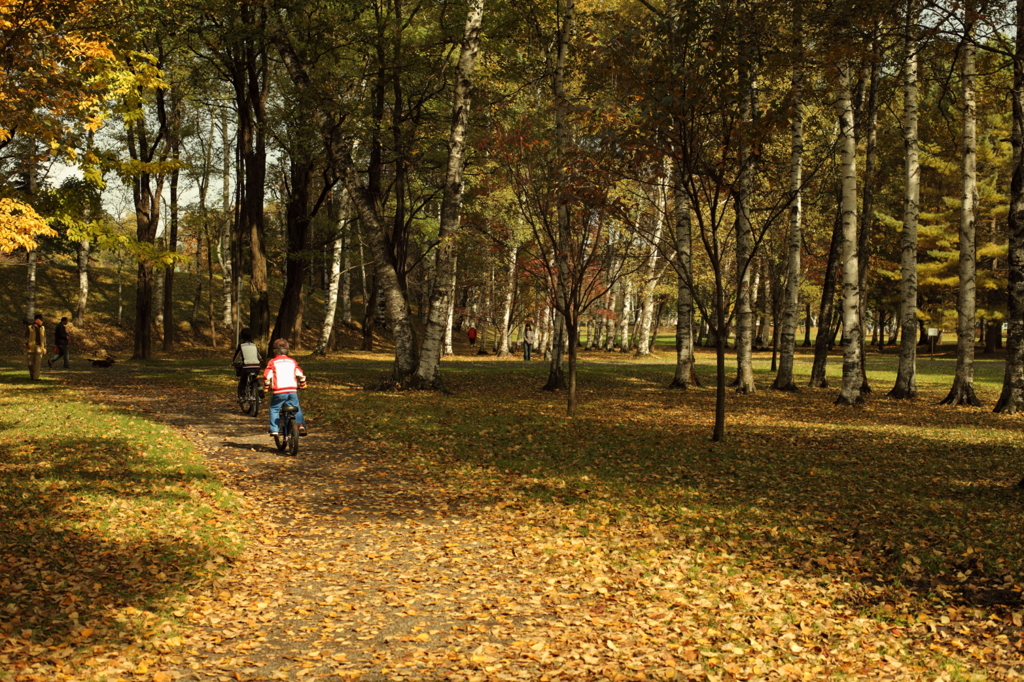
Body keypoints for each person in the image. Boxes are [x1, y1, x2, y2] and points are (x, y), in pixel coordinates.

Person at [264, 338, 307, 437]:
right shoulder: (292, 361)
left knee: (274, 408)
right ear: (287, 350)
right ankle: (300, 425)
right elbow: (300, 374)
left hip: (279, 391)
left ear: (274, 351)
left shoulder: (272, 362)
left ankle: (274, 429)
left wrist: (266, 386)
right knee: (296, 408)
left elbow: (267, 376)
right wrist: (302, 384)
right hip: (292, 390)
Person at [231, 328, 263, 402]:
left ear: (242, 336)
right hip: (256, 367)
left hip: (246, 367)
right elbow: (259, 356)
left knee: (243, 382)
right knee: (254, 377)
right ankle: (259, 387)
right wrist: (260, 360)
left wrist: (234, 362)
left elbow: (237, 357)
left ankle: (241, 397)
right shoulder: (254, 345)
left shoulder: (241, 346)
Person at [26, 314, 46, 380]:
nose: (42, 322)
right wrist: (27, 344)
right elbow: (26, 336)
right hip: (31, 347)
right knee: (30, 364)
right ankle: (32, 376)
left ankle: (35, 377)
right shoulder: (29, 327)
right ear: (36, 320)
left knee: (37, 363)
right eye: (41, 320)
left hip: (39, 347)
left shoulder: (42, 328)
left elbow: (44, 338)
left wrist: (44, 347)